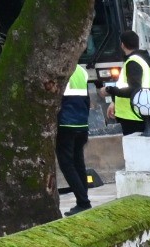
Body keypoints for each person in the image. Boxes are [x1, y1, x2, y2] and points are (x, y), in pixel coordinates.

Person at [57, 63, 92, 216]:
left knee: (67, 164)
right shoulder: (81, 71)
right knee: (78, 163)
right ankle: (83, 201)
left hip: (65, 123)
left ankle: (83, 201)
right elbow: (87, 100)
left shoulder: (57, 68)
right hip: (82, 122)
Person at [104, 30, 150, 135]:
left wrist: (110, 90)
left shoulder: (132, 62)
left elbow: (134, 89)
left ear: (122, 45)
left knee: (133, 149)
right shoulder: (141, 60)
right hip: (140, 111)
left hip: (131, 114)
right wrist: (114, 101)